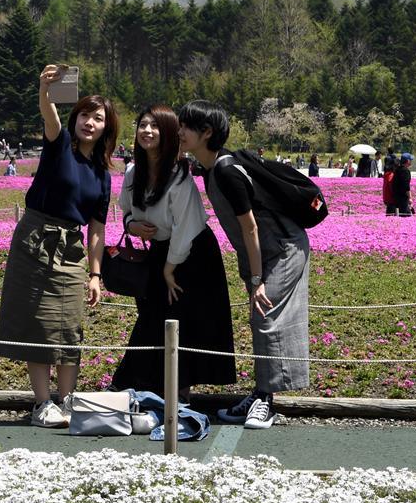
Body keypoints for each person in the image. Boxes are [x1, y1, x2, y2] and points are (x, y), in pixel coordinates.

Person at [0, 65, 118, 428]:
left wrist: (95, 274)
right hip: (35, 239)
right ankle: (42, 403)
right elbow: (49, 114)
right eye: (84, 115)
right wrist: (44, 89)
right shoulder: (59, 142)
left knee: (68, 325)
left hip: (71, 249)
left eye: (98, 118)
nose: (89, 123)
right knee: (39, 323)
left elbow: (97, 229)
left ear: (107, 128)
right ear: (74, 117)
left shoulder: (103, 175)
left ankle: (67, 401)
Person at [178, 100, 310, 430]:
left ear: (206, 133)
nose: (179, 131)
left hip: (283, 248)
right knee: (260, 317)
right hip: (265, 252)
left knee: (265, 316)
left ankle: (266, 400)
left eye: (186, 126)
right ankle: (261, 393)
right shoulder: (210, 168)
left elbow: (249, 227)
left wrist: (256, 279)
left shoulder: (225, 170)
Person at [111, 106, 236, 398]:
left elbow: (185, 226)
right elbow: (125, 210)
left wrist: (170, 269)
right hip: (161, 252)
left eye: (155, 126)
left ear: (168, 132)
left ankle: (175, 392)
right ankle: (143, 386)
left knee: (185, 319)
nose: (147, 131)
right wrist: (131, 226)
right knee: (153, 317)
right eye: (143, 125)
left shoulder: (179, 176)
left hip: (193, 255)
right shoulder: (133, 172)